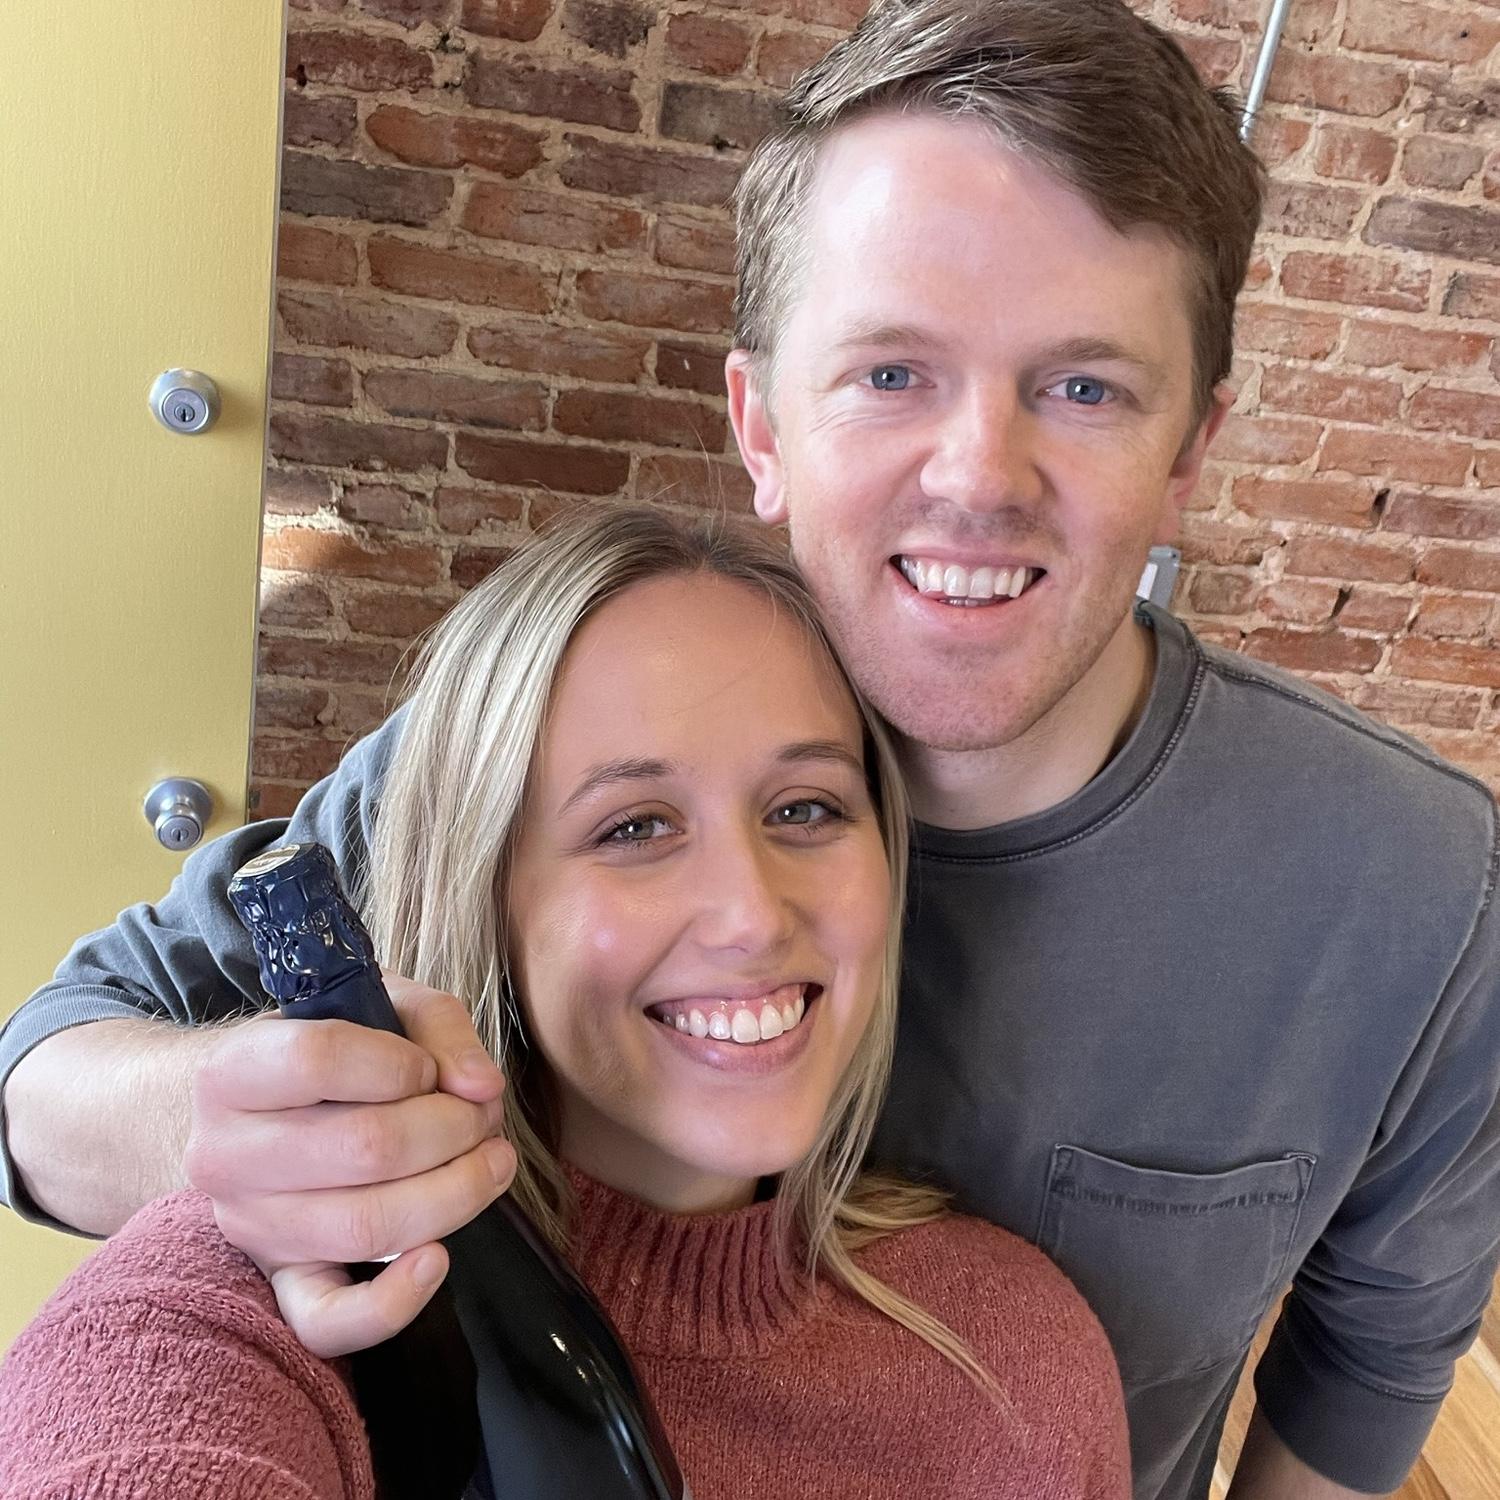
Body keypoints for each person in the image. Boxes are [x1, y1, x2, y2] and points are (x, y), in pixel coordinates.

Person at [3, 0, 1498, 1497]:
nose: (981, 476)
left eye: (1086, 388)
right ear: (761, 425)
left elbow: (1369, 1365)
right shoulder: (548, 736)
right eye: (891, 373)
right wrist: (257, 1141)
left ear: (1189, 455)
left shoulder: (1415, 888)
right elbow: (43, 1088)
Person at [0, 509, 1129, 1500]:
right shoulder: (290, 1304)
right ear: (488, 893)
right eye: (634, 827)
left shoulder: (1019, 1359)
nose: (750, 915)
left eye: (806, 808)